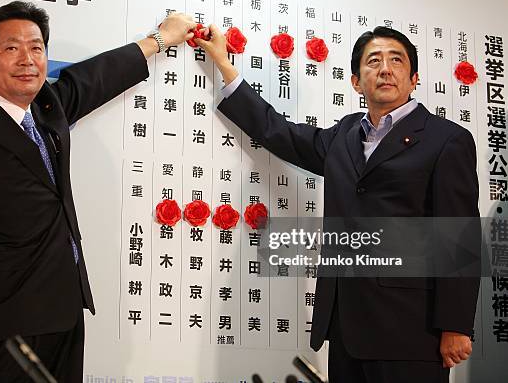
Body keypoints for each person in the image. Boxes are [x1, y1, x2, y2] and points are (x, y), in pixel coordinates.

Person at [0, 1, 195, 382]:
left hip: (64, 311)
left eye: (36, 47)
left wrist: (161, 39)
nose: (27, 59)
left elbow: (94, 78)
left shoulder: (47, 110)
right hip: (2, 323)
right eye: (12, 48)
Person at [195, 25, 480, 383]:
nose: (385, 69)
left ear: (414, 79)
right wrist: (223, 63)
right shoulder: (345, 135)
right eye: (373, 62)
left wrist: (455, 326)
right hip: (346, 328)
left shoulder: (446, 140)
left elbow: (458, 238)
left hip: (411, 330)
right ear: (357, 82)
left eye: (397, 60)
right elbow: (280, 133)